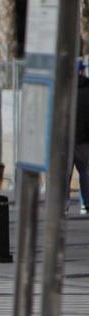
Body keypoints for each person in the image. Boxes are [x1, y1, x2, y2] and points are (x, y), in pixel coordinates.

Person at [74, 67, 89, 215]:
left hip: (67, 138)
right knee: (84, 172)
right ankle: (85, 204)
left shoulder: (67, 89)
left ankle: (63, 205)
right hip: (84, 139)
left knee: (66, 175)